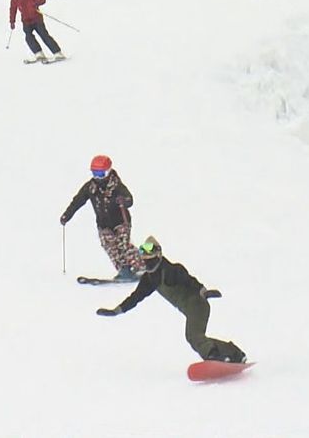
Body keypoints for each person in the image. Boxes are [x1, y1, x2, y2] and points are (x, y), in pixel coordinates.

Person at [96, 236, 247, 363]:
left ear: (159, 256)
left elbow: (190, 281)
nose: (148, 264)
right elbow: (135, 297)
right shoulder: (149, 279)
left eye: (151, 260)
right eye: (145, 260)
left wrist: (204, 291)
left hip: (197, 303)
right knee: (197, 338)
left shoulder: (172, 270)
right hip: (190, 309)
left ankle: (214, 357)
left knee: (193, 336)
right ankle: (234, 354)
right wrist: (117, 311)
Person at [59, 155, 142, 281]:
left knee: (123, 245)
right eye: (94, 173)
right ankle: (124, 270)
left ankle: (142, 265)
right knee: (110, 246)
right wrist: (67, 215)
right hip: (103, 224)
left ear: (108, 171)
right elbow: (78, 201)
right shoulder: (90, 188)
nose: (98, 177)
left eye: (101, 173)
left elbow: (130, 200)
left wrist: (123, 201)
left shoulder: (117, 186)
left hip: (121, 222)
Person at [9, 0, 65, 64]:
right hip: (26, 21)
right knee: (28, 37)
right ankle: (38, 53)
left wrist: (36, 3)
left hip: (36, 19)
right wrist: (12, 21)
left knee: (44, 35)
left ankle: (57, 53)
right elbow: (13, 9)